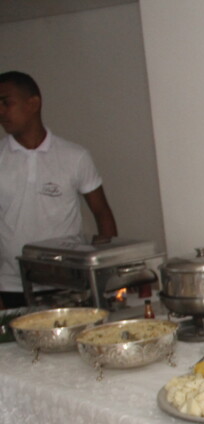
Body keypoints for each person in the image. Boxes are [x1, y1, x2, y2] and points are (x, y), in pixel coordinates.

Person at [0, 70, 118, 309]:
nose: (0, 111)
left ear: (33, 103)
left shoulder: (74, 156)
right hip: (12, 285)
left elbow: (102, 212)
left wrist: (107, 274)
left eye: (6, 103)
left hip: (69, 282)